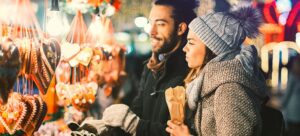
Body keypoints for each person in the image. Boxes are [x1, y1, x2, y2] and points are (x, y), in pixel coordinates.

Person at [71, 0, 198, 135]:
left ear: (180, 28)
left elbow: (180, 132)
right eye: (150, 23)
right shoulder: (150, 67)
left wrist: (135, 125)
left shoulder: (191, 72)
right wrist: (105, 129)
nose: (152, 31)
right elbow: (136, 112)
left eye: (161, 24)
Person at [166, 6, 268, 136]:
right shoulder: (203, 81)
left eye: (191, 43)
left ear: (213, 49)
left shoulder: (230, 89)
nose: (184, 48)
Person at [282, 55, 300, 136]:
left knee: (291, 130)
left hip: (292, 109)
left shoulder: (293, 76)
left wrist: (283, 104)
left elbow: (288, 93)